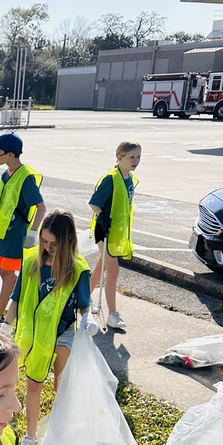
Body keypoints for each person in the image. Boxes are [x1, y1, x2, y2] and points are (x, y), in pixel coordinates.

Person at [2, 209, 95, 445]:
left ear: (68, 241)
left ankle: (60, 436)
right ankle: (30, 436)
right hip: (36, 336)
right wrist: (6, 326)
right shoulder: (32, 262)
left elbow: (84, 304)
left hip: (63, 333)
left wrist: (88, 318)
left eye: (54, 244)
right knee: (34, 383)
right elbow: (17, 297)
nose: (48, 248)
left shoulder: (78, 269)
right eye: (44, 241)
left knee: (61, 387)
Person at [0, 133, 46, 322]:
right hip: (4, 234)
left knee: (8, 275)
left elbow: (41, 207)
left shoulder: (25, 178)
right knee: (5, 274)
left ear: (10, 154)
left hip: (16, 235)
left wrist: (32, 234)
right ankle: (20, 303)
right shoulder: (6, 174)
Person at [88, 141, 142, 330]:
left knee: (101, 267)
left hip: (117, 232)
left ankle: (82, 299)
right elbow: (94, 203)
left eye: (138, 157)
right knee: (113, 271)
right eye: (131, 157)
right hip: (104, 230)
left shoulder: (129, 178)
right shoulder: (111, 179)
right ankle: (112, 314)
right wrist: (102, 217)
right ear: (119, 157)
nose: (135, 161)